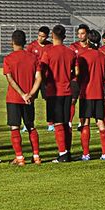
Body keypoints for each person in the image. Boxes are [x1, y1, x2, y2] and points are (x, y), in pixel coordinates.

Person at [3, 29, 42, 166]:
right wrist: (30, 94)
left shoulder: (8, 59)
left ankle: (20, 158)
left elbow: (10, 79)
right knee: (31, 126)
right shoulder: (33, 58)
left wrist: (22, 94)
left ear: (12, 42)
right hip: (29, 99)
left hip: (14, 98)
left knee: (15, 128)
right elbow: (39, 78)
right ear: (25, 42)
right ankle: (36, 156)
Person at [39, 24, 77, 163]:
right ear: (64, 37)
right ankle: (67, 151)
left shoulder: (48, 53)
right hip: (67, 91)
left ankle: (62, 153)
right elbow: (76, 72)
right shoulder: (71, 53)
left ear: (52, 36)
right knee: (66, 123)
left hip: (53, 91)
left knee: (58, 124)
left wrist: (45, 82)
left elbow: (42, 71)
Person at [77, 30, 105, 161]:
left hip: (86, 93)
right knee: (101, 123)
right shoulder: (104, 57)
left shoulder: (82, 56)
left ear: (88, 41)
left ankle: (86, 154)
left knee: (85, 123)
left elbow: (79, 75)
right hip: (99, 93)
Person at [26, 25, 54, 131]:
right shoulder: (31, 46)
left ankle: (50, 123)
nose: (40, 38)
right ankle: (29, 123)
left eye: (43, 36)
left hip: (46, 78)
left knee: (49, 100)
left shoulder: (50, 46)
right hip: (34, 78)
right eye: (39, 36)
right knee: (30, 99)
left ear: (47, 37)